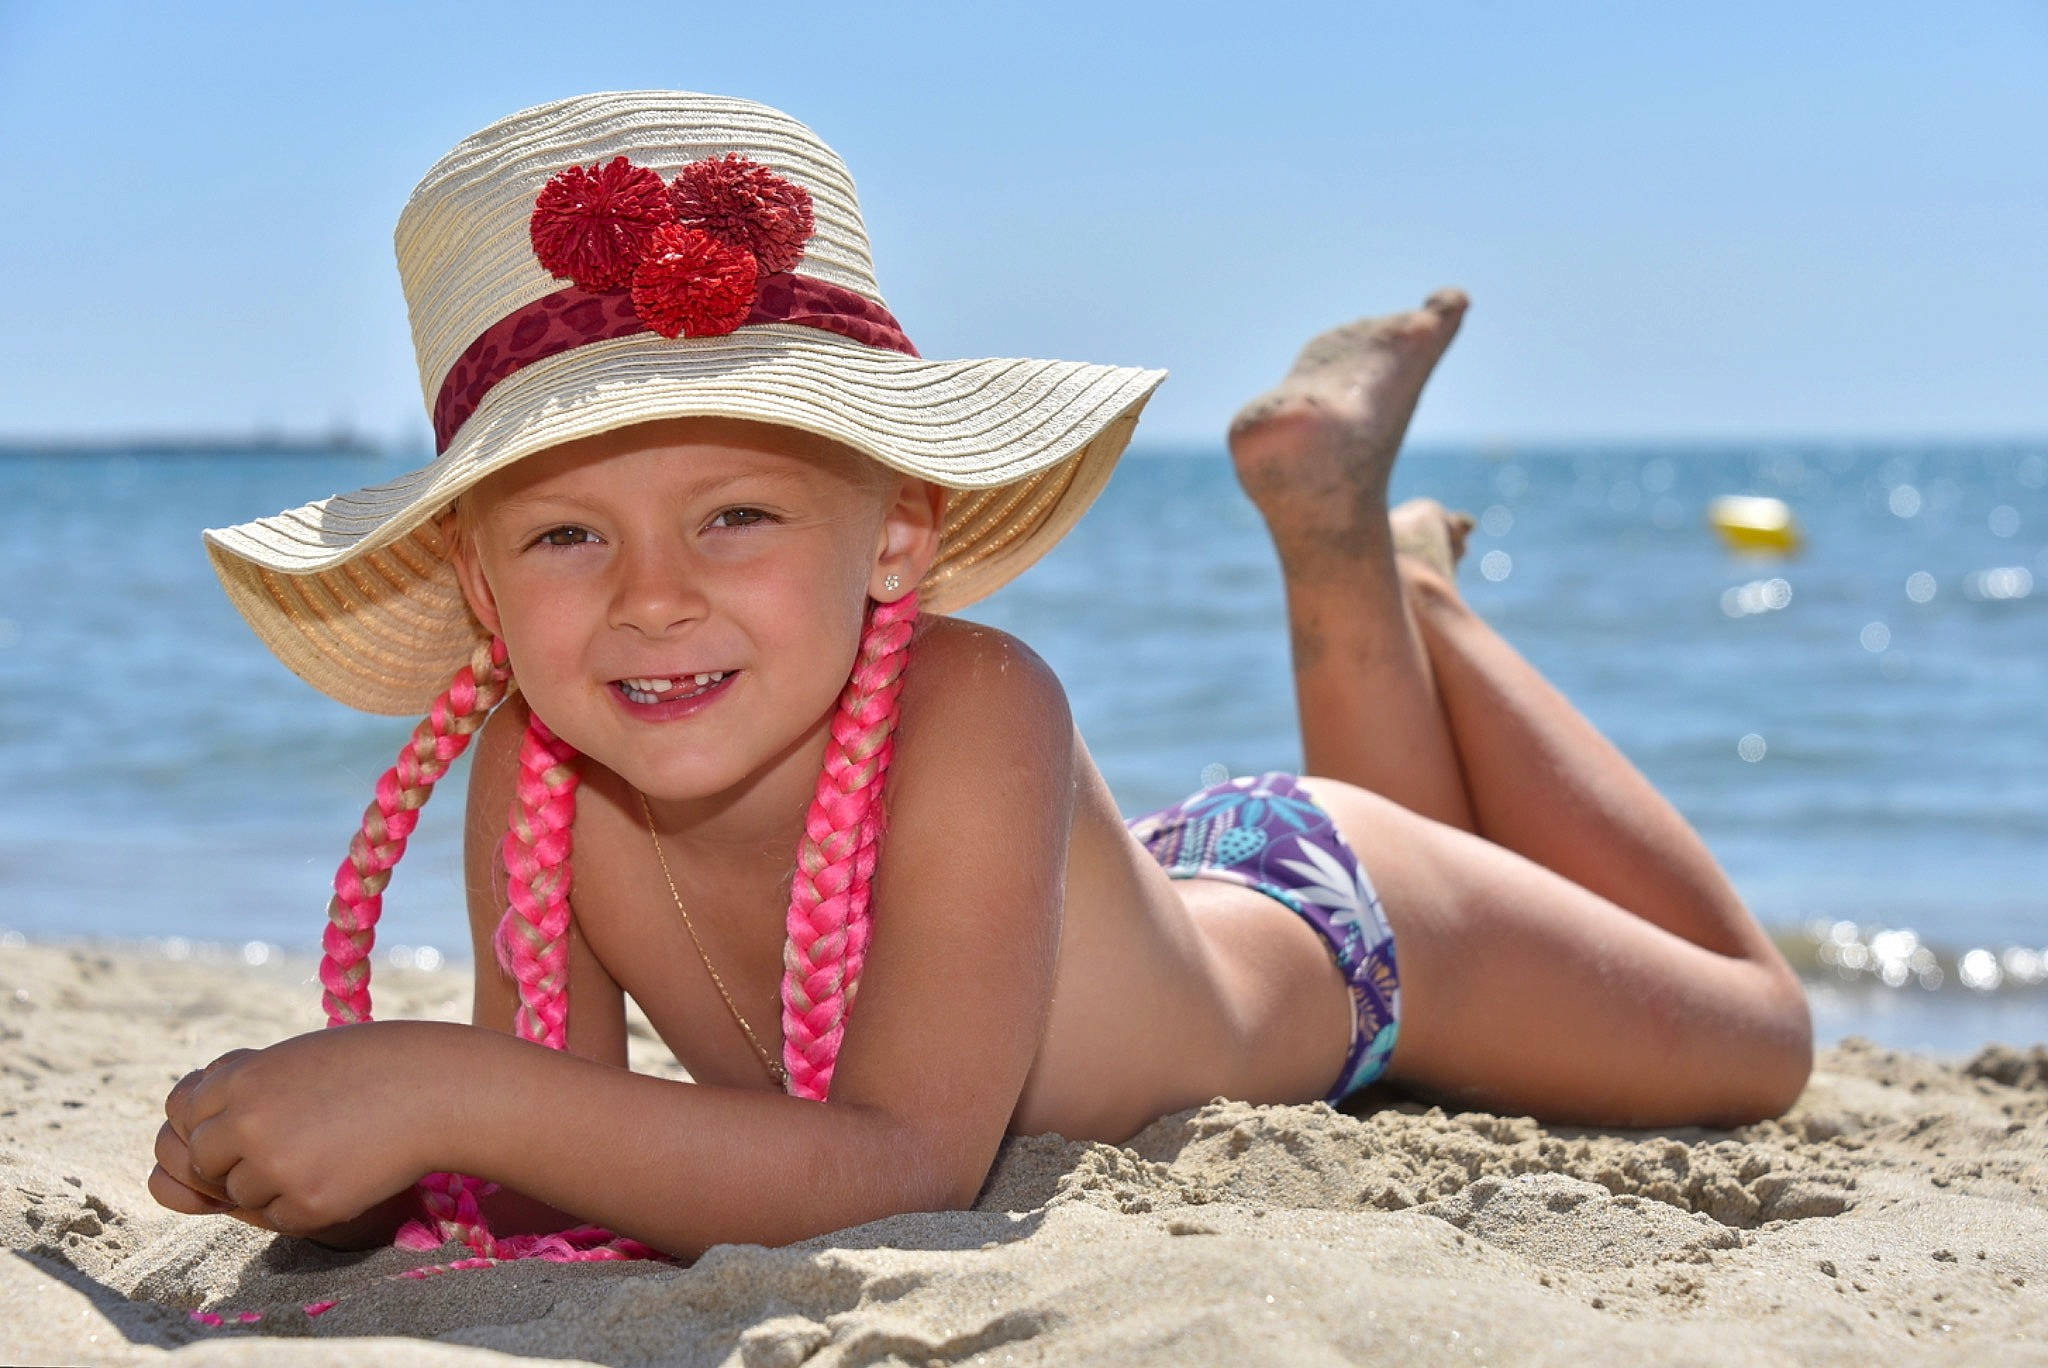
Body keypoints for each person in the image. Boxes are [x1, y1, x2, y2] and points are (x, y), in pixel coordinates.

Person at [148, 91, 1812, 1264]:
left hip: (1351, 928)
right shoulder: (537, 777)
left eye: (737, 516)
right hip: (1119, 900)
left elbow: (905, 1166)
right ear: (480, 588)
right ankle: (1353, 548)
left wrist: (439, 1088)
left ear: (897, 534)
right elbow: (564, 1153)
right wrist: (336, 1149)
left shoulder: (979, 703)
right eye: (567, 537)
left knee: (1761, 1039)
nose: (653, 599)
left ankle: (1401, 589)